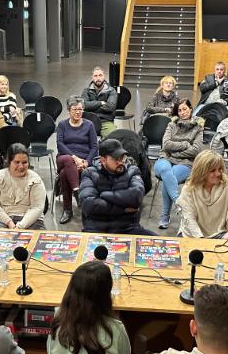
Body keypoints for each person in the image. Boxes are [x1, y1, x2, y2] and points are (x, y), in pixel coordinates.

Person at [79, 138, 155, 236]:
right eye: (116, 159)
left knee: (161, 244)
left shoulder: (132, 170)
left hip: (127, 228)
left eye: (122, 157)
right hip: (96, 229)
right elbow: (89, 205)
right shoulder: (89, 173)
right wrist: (123, 209)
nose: (120, 162)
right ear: (103, 160)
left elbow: (136, 197)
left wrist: (104, 195)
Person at [153, 99, 204, 229]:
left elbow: (196, 150)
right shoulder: (172, 125)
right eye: (179, 110)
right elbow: (166, 144)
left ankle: (165, 216)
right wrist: (185, 145)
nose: (182, 112)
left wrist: (174, 153)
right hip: (165, 158)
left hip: (185, 163)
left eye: (185, 109)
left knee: (169, 178)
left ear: (191, 109)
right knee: (165, 170)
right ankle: (179, 202)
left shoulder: (198, 127)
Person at [177, 150, 228, 238]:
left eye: (220, 169)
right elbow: (189, 218)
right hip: (191, 236)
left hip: (221, 234)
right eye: (212, 170)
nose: (218, 173)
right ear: (201, 171)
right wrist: (201, 240)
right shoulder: (188, 189)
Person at [56, 95, 99, 224]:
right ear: (69, 110)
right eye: (75, 109)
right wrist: (75, 158)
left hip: (84, 161)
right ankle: (77, 190)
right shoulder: (62, 124)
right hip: (64, 157)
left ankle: (67, 210)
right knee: (69, 160)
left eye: (80, 109)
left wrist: (86, 162)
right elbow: (60, 144)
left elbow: (94, 146)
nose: (78, 112)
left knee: (64, 174)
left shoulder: (89, 125)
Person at [0, 143, 46, 230]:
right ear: (8, 162)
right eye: (17, 162)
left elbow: (37, 208)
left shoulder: (35, 179)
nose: (21, 166)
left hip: (32, 222)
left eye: (24, 162)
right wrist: (10, 223)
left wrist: (20, 226)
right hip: (3, 220)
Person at [81, 66, 118, 137]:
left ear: (104, 77)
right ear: (92, 77)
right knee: (80, 139)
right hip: (89, 121)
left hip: (106, 122)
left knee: (111, 139)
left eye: (100, 75)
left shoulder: (111, 90)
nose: (98, 78)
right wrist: (101, 103)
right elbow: (84, 105)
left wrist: (91, 107)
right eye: (95, 76)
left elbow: (110, 107)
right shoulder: (86, 91)